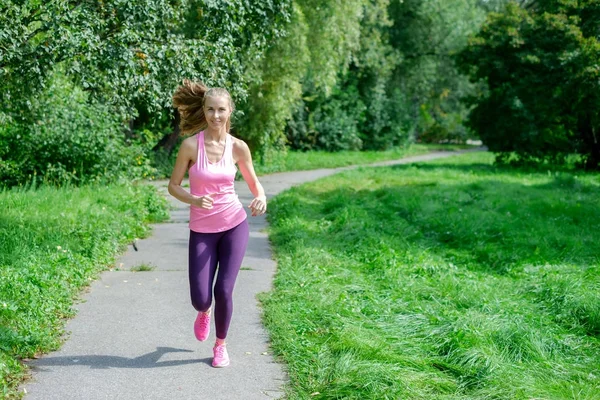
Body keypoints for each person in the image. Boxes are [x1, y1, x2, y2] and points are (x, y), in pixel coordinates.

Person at [168, 80, 267, 368]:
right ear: (204, 111)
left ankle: (221, 345)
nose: (215, 116)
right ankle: (204, 312)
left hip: (234, 224)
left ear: (230, 111)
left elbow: (254, 182)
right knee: (201, 297)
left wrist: (261, 197)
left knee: (224, 289)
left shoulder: (238, 148)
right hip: (202, 229)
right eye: (210, 110)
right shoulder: (190, 146)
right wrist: (194, 200)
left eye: (221, 110)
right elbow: (173, 186)